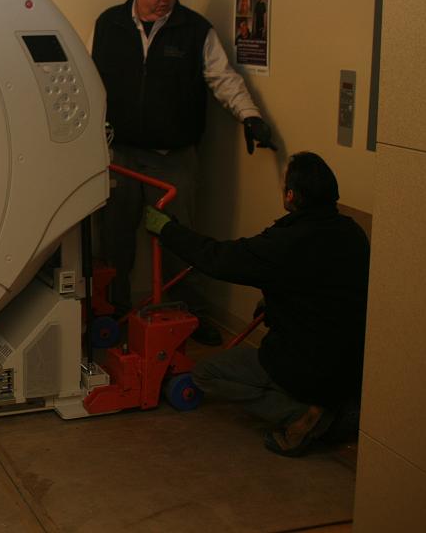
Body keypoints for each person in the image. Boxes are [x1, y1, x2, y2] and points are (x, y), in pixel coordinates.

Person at [91, 0, 274, 345]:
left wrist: (250, 116)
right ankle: (113, 313)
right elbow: (88, 78)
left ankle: (188, 316)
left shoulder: (194, 29)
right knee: (115, 238)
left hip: (171, 160)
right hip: (119, 156)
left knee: (180, 239)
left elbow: (223, 79)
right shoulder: (108, 25)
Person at [143, 151, 369, 456]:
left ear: (291, 195)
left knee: (206, 373)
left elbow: (219, 258)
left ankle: (306, 416)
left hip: (307, 364)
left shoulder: (285, 243)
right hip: (350, 366)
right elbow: (323, 288)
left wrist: (168, 230)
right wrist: (275, 301)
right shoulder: (352, 233)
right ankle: (333, 405)